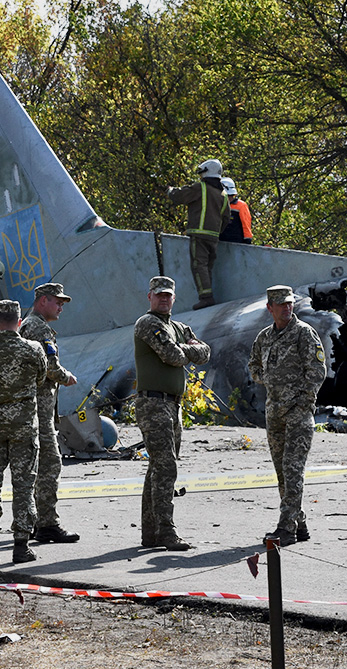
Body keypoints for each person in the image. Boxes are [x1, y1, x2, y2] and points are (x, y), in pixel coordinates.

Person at [133, 276, 210, 550]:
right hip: (153, 403)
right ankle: (166, 531)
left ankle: (150, 531)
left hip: (172, 404)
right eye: (159, 295)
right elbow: (172, 356)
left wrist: (185, 348)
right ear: (149, 296)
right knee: (166, 466)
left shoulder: (177, 327)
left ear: (174, 298)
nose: (163, 299)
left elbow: (205, 352)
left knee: (158, 465)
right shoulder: (148, 323)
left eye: (168, 295)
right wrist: (186, 349)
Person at [247, 285, 326, 545]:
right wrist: (268, 378)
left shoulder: (304, 333)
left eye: (289, 303)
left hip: (298, 413)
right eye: (281, 304)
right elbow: (254, 366)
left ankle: (286, 528)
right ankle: (298, 521)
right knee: (282, 472)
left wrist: (304, 402)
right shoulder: (264, 337)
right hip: (275, 412)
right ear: (270, 308)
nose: (286, 308)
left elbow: (317, 371)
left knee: (293, 471)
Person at [0, 299, 46, 564]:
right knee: (23, 484)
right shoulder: (33, 349)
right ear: (19, 322)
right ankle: (21, 546)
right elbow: (41, 377)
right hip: (23, 426)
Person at [19, 282, 80, 544]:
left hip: (34, 407)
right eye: (57, 302)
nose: (61, 308)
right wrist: (66, 377)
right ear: (42, 301)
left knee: (34, 466)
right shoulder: (39, 328)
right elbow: (50, 367)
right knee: (50, 465)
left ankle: (33, 520)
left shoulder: (27, 325)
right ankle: (47, 524)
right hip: (40, 410)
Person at [167, 159, 230, 310]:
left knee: (198, 265)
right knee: (207, 267)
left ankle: (206, 298)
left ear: (206, 172)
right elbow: (226, 218)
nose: (200, 177)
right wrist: (217, 232)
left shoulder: (200, 188)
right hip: (214, 237)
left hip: (199, 234)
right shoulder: (223, 194)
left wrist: (170, 191)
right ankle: (207, 295)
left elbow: (179, 196)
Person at [219, 177, 253, 244]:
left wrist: (247, 239)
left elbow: (246, 224)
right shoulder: (218, 205)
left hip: (237, 242)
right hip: (220, 240)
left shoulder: (241, 205)